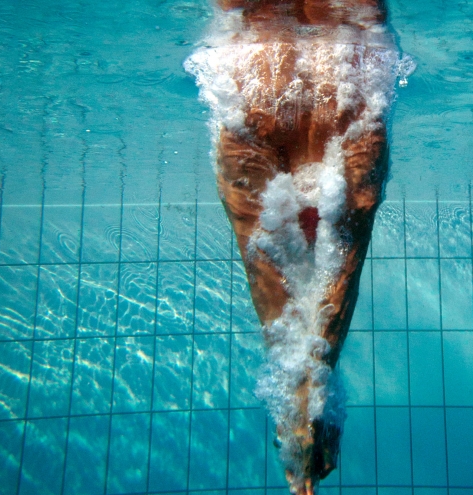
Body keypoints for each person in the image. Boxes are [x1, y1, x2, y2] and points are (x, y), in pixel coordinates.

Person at [185, 2, 411, 493]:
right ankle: (310, 390)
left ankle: (302, 399)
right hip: (351, 83)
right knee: (340, 255)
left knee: (266, 254)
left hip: (250, 83)